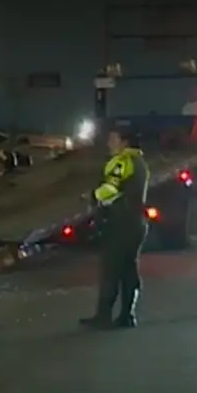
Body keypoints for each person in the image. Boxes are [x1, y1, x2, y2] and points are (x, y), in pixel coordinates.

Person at [80, 128, 150, 329]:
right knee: (128, 269)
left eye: (113, 139)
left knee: (111, 270)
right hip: (135, 222)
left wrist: (92, 196)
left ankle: (103, 317)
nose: (109, 143)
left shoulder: (123, 162)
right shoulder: (140, 162)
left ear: (124, 142)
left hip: (121, 223)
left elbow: (111, 188)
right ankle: (127, 315)